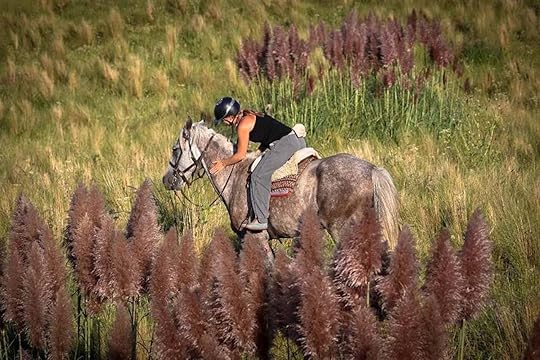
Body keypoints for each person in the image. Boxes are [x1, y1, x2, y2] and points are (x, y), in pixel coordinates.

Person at [210, 96, 306, 231]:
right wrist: (259, 150)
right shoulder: (250, 114)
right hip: (296, 140)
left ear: (229, 117)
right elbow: (269, 133)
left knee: (258, 176)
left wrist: (223, 163)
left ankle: (261, 219)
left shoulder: (242, 125)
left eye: (224, 120)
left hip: (286, 144)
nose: (225, 123)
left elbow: (240, 155)